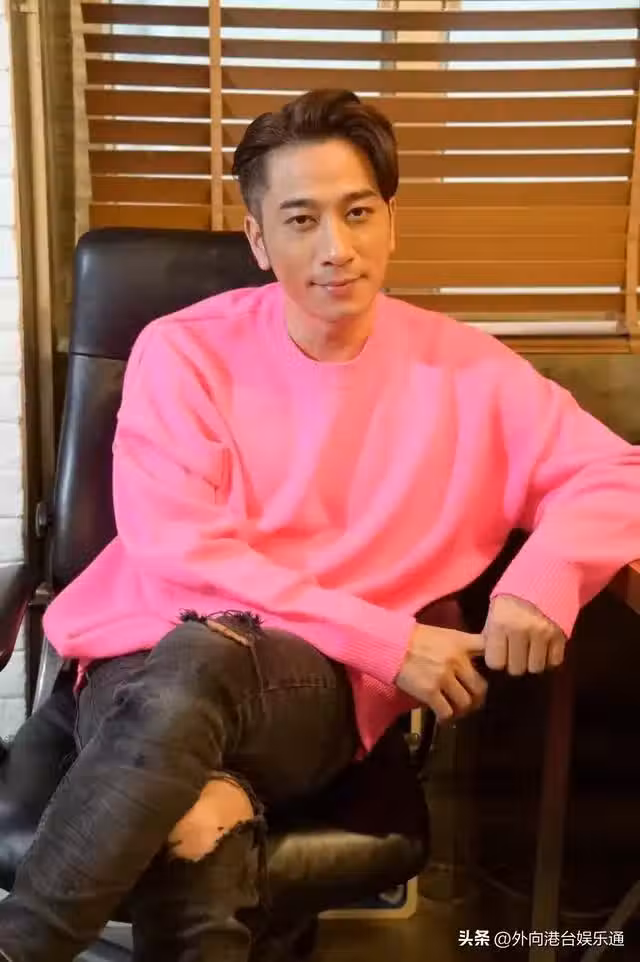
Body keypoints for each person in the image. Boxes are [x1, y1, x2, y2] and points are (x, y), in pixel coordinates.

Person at [1, 87, 639, 961]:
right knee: (199, 813)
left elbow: (616, 470)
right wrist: (389, 640)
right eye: (301, 220)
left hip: (313, 695)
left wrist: (545, 577)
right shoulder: (183, 351)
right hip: (142, 667)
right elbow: (180, 554)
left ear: (391, 224)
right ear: (259, 241)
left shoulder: (470, 373)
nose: (337, 248)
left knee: (205, 661)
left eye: (358, 212)